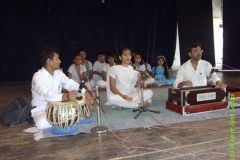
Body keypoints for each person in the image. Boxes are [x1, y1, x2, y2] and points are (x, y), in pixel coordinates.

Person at [31, 45, 94, 130]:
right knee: (43, 123)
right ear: (49, 61)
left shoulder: (58, 73)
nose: (60, 61)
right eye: (57, 59)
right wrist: (64, 96)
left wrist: (85, 92)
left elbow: (70, 83)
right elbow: (45, 94)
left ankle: (66, 119)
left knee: (76, 113)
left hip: (59, 107)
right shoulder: (37, 76)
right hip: (42, 109)